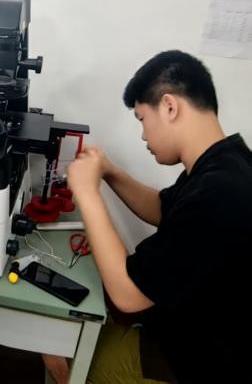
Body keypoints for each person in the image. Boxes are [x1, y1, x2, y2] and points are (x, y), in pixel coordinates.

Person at [62, 51, 252, 383]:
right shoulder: (227, 163)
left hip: (194, 362)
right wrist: (110, 172)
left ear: (169, 107)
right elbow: (164, 209)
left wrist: (87, 192)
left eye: (141, 119)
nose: (143, 135)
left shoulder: (218, 192)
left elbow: (128, 295)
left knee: (67, 352)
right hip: (189, 332)